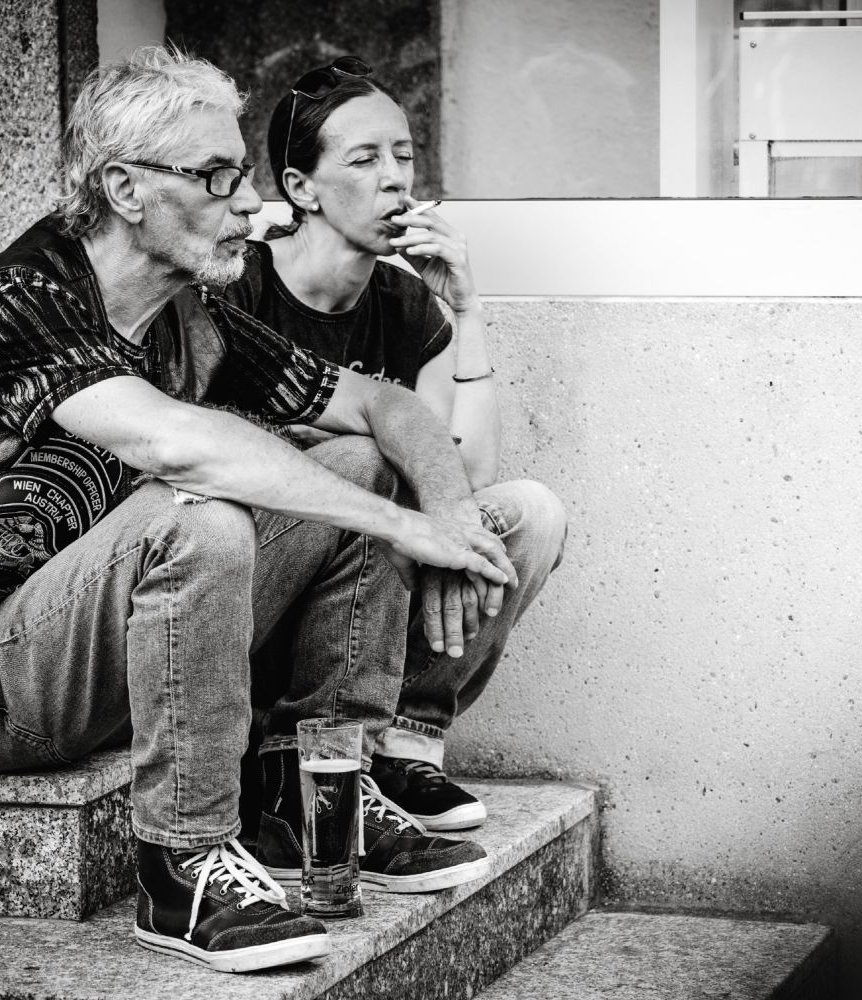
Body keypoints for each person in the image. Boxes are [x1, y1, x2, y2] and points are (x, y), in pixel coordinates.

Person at [0, 47, 517, 975]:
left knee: (360, 463)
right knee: (196, 514)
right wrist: (402, 527)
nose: (249, 203)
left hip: (109, 651)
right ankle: (183, 866)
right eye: (216, 176)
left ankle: (309, 786)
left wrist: (450, 514)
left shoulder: (188, 311)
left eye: (242, 174)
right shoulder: (21, 302)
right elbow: (173, 444)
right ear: (125, 188)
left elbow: (380, 405)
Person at [222, 56, 566, 836]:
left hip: (373, 583)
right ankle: (299, 742)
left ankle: (402, 747)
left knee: (529, 514)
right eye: (364, 159)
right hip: (262, 587)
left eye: (403, 156)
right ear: (301, 187)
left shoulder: (403, 302)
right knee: (374, 473)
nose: (394, 179)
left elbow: (464, 472)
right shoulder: (240, 288)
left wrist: (465, 309)